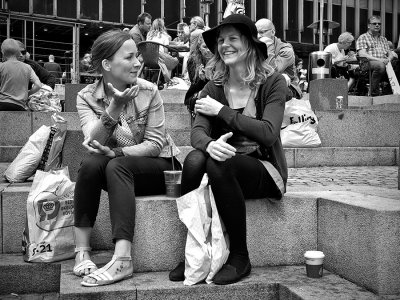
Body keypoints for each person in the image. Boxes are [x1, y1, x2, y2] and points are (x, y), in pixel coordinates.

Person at [169, 14, 288, 285]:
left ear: (249, 44)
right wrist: (211, 144)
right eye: (221, 40)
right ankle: (194, 252)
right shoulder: (214, 87)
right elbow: (197, 133)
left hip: (263, 168)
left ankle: (239, 256)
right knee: (195, 159)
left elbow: (268, 133)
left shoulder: (273, 82)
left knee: (220, 163)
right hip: (222, 166)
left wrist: (221, 111)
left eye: (233, 38)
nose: (225, 45)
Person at [73, 29, 181, 287]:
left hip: (160, 169)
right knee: (89, 165)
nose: (137, 63)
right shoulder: (86, 97)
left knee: (116, 165)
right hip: (116, 169)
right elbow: (93, 143)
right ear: (107, 64)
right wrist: (114, 107)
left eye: (137, 57)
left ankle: (122, 259)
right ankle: (82, 251)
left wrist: (118, 152)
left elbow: (155, 145)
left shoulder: (148, 90)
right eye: (129, 57)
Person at [255, 18, 301, 99]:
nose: (258, 36)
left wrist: (267, 44)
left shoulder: (286, 49)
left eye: (262, 32)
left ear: (273, 32)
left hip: (289, 88)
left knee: (274, 87)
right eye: (256, 33)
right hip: (264, 83)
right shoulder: (255, 46)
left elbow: (274, 71)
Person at [356, 15, 395, 96]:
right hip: (367, 63)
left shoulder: (384, 39)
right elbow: (362, 54)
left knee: (398, 64)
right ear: (368, 25)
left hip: (384, 62)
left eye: (379, 24)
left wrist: (389, 59)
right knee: (380, 65)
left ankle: (390, 91)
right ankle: (374, 92)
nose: (377, 25)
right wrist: (380, 60)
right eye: (374, 23)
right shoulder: (363, 37)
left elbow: (390, 53)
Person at [0, 38, 42, 111]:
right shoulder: (27, 67)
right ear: (18, 52)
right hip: (20, 106)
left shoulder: (1, 66)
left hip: (2, 104)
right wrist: (28, 93)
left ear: (3, 52)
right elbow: (38, 85)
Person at [184, 33, 213, 124]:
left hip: (214, 92)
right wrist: (202, 80)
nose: (208, 50)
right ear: (199, 48)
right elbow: (194, 84)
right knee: (201, 100)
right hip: (197, 92)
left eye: (210, 47)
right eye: (205, 47)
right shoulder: (193, 61)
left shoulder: (219, 59)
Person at [146, 18, 178, 84]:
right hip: (158, 59)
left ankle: (158, 80)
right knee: (172, 61)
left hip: (148, 59)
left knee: (167, 61)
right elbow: (165, 52)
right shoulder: (164, 36)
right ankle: (167, 81)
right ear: (163, 26)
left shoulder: (149, 35)